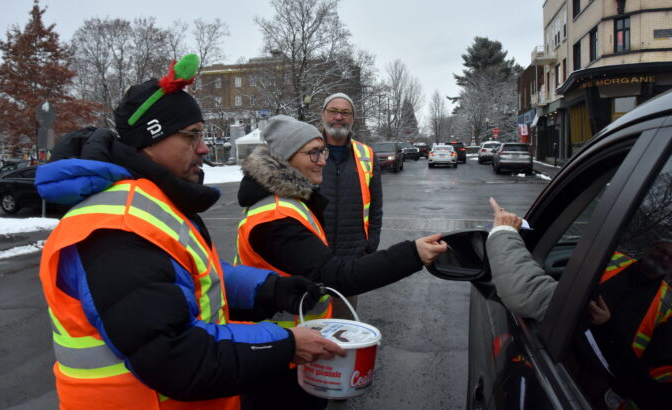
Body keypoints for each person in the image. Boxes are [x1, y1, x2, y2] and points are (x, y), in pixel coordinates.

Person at [35, 55, 344, 410]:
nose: (204, 147)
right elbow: (173, 355)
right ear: (149, 143)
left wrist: (271, 288)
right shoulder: (115, 229)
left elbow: (190, 275)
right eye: (191, 135)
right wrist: (286, 344)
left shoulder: (150, 201)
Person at [235, 114, 448, 409]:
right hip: (276, 355)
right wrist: (412, 254)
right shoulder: (275, 217)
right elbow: (334, 275)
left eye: (322, 151)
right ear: (285, 159)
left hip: (293, 347)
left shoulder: (290, 203)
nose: (322, 160)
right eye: (313, 152)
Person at [485, 197, 672, 409]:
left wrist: (503, 232)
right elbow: (558, 293)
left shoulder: (667, 304)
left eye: (671, 257)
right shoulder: (610, 260)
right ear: (649, 248)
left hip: (603, 385)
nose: (664, 258)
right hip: (565, 354)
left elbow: (530, 294)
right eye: (662, 251)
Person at [319, 93, 382, 319]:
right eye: (333, 111)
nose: (339, 117)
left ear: (353, 118)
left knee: (343, 331)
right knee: (309, 329)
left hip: (350, 261)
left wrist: (369, 247)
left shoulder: (366, 155)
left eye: (345, 113)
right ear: (323, 115)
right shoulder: (305, 151)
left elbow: (376, 207)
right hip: (310, 255)